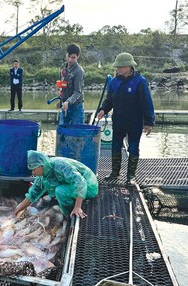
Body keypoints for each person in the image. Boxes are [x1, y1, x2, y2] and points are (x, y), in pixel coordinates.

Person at [96, 52, 155, 184]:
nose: (119, 69)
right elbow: (109, 100)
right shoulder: (115, 82)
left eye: (121, 67)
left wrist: (149, 122)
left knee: (133, 148)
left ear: (129, 66)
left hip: (135, 122)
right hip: (118, 121)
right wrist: (103, 109)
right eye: (118, 67)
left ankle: (131, 177)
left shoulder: (140, 81)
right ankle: (114, 173)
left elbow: (147, 102)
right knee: (115, 147)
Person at [13, 150, 98, 219]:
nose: (32, 172)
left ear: (41, 165)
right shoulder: (43, 176)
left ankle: (70, 213)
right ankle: (70, 205)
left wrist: (77, 207)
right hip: (75, 185)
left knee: (59, 191)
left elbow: (80, 182)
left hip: (89, 185)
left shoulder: (60, 165)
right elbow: (32, 195)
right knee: (56, 190)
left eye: (33, 169)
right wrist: (16, 212)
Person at [57, 43, 85, 125]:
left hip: (76, 107)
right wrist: (60, 99)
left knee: (77, 133)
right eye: (68, 57)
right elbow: (62, 86)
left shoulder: (79, 71)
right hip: (64, 105)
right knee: (62, 130)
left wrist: (68, 102)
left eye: (73, 58)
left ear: (77, 57)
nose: (70, 60)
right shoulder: (63, 68)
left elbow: (77, 92)